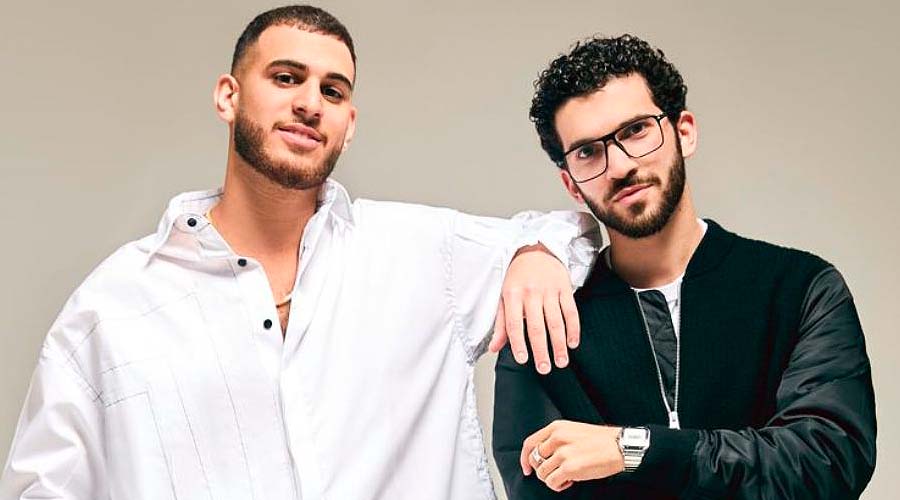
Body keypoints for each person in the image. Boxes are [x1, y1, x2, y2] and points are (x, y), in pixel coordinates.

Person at [0, 6, 601, 500]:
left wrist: (534, 254)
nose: (310, 103)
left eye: (332, 91)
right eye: (286, 78)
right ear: (228, 96)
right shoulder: (112, 308)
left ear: (349, 123)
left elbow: (575, 234)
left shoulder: (420, 254)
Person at [492, 34, 876, 499]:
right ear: (572, 184)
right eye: (588, 152)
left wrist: (633, 449)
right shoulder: (543, 321)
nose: (619, 166)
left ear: (684, 131)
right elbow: (538, 488)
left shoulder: (799, 288)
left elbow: (827, 461)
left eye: (636, 130)